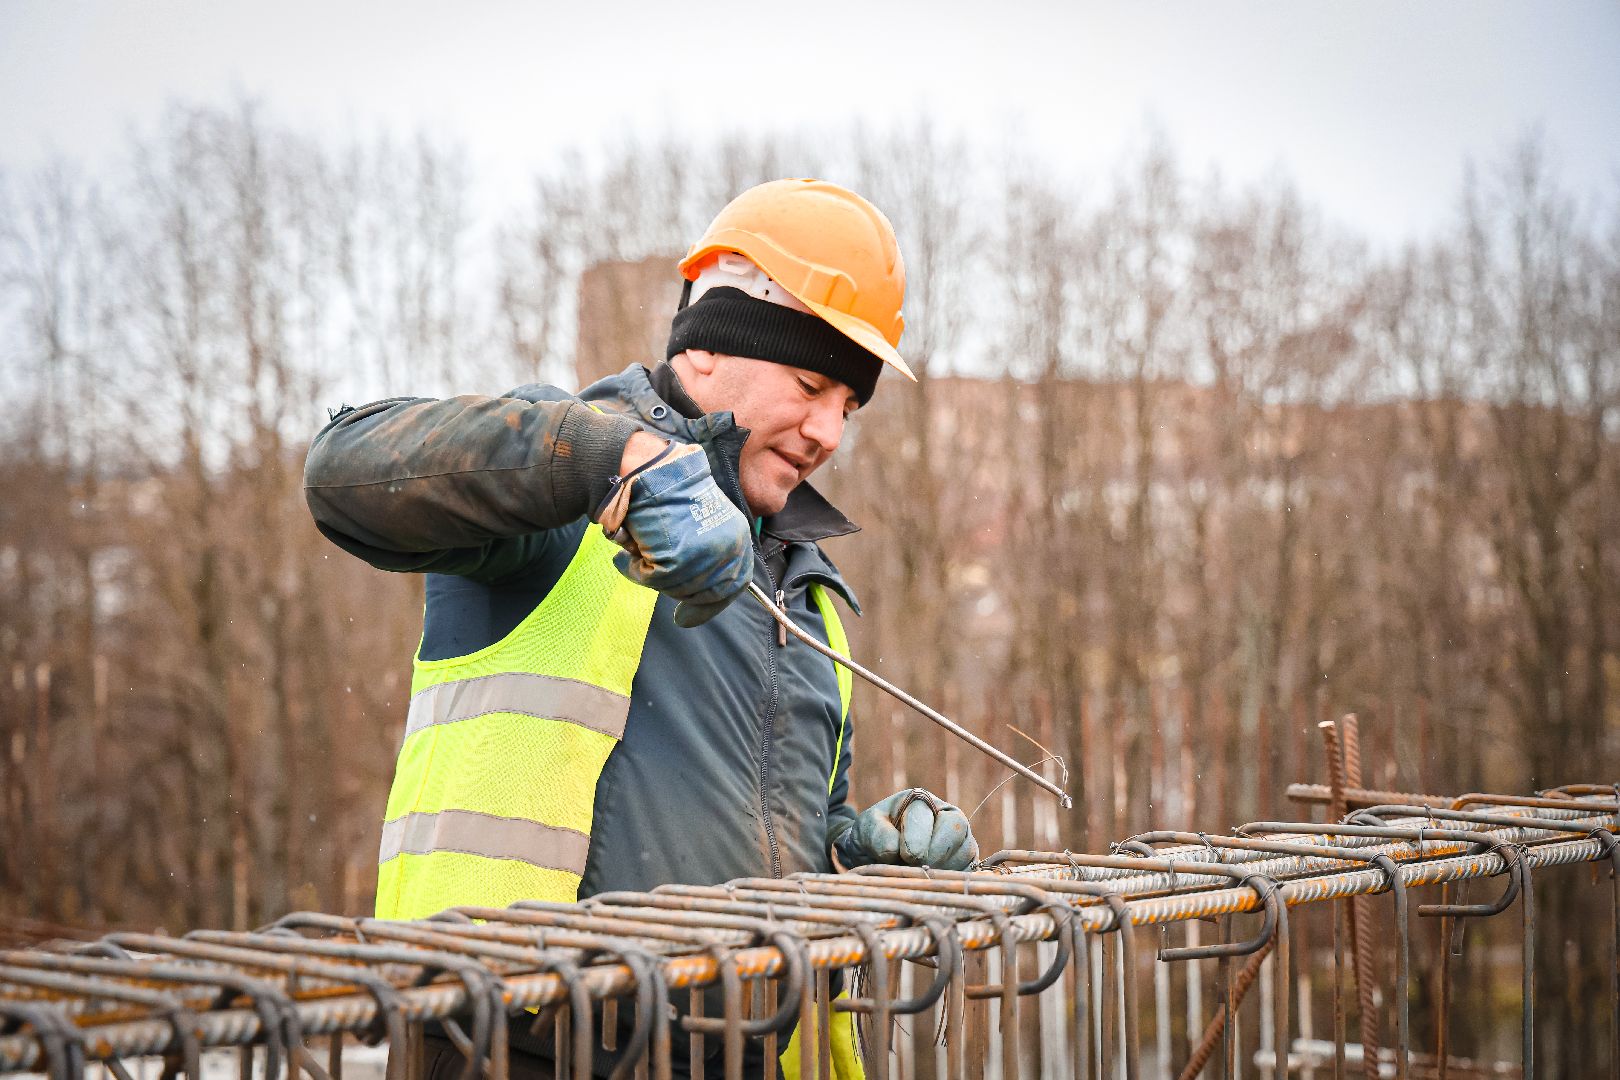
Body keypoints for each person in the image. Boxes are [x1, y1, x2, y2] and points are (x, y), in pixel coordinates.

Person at [303, 178, 977, 1076]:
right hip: (514, 1041)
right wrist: (612, 460)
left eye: (849, 406)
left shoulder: (808, 597)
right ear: (706, 351)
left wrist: (863, 856)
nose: (829, 434)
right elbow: (341, 471)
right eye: (812, 384)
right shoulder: (558, 487)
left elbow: (785, 838)